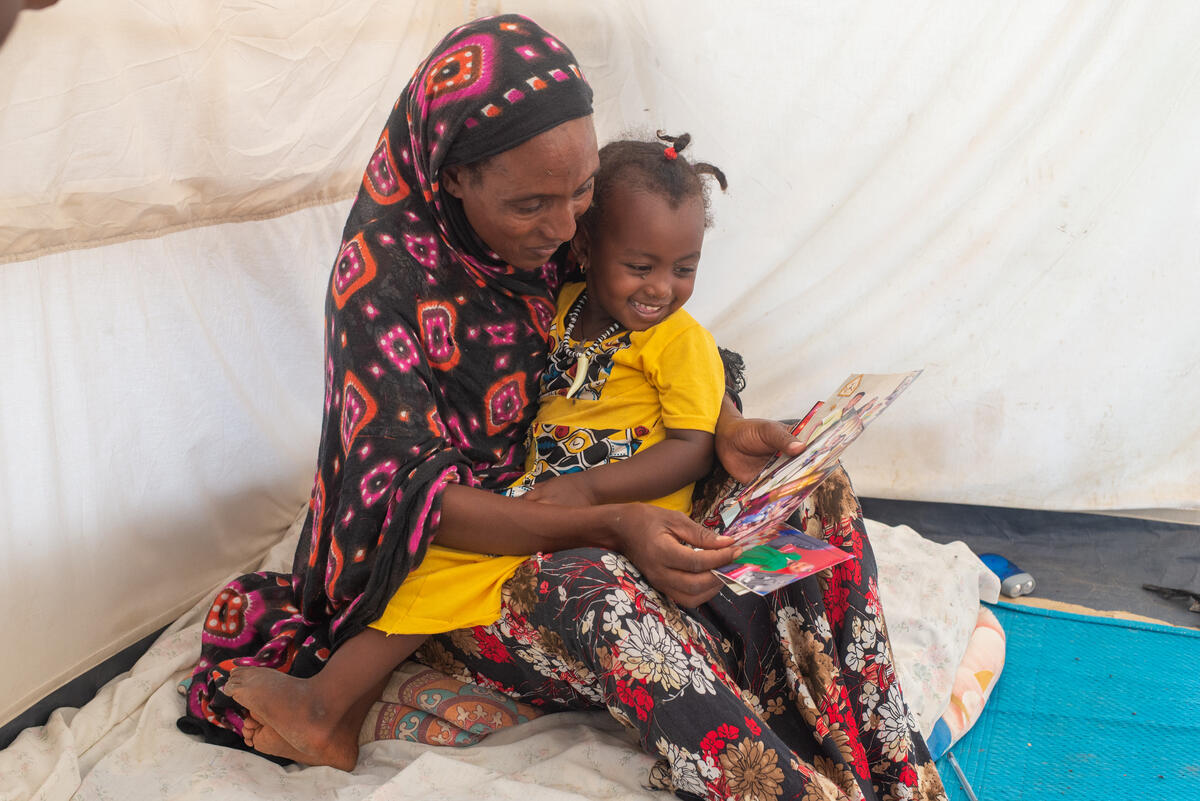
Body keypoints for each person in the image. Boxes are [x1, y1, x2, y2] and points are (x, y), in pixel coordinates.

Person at [180, 15, 946, 801]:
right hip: (463, 563)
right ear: (452, 177)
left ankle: (888, 765)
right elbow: (421, 510)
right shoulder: (383, 284)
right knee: (597, 589)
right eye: (531, 206)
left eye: (581, 192)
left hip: (595, 496)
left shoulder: (570, 242)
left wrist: (727, 429)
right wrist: (609, 520)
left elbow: (643, 351)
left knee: (812, 479)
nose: (563, 228)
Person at [221, 130, 732, 770]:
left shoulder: (680, 341)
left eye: (684, 269)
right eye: (640, 266)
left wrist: (593, 490)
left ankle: (322, 705)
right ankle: (338, 717)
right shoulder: (562, 305)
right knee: (430, 555)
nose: (662, 287)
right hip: (549, 492)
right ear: (585, 247)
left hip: (635, 509)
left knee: (453, 561)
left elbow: (695, 446)